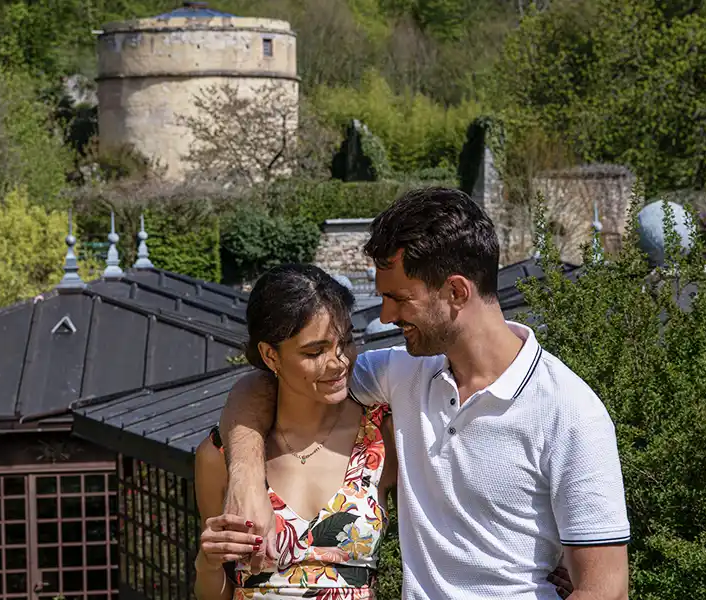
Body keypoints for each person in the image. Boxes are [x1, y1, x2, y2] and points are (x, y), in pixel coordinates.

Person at [215, 188, 631, 599]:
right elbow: (268, 380)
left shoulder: (570, 412)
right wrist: (246, 479)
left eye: (398, 298)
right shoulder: (404, 372)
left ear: (456, 292)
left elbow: (606, 589)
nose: (385, 316)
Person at [194, 264, 398, 599]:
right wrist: (208, 563)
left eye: (345, 342)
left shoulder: (381, 438)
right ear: (270, 355)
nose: (339, 362)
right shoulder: (217, 457)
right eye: (314, 351)